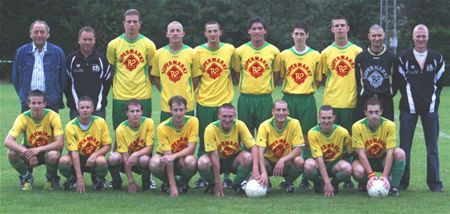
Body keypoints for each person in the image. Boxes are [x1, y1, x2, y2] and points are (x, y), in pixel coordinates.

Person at [396, 24, 445, 192]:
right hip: (408, 109)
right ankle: (403, 183)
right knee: (405, 148)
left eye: (424, 36)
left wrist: (431, 103)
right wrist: (412, 103)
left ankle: (434, 183)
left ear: (428, 37)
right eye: (418, 36)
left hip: (430, 110)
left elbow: (439, 84)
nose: (421, 39)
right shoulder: (403, 58)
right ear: (413, 37)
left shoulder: (437, 58)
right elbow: (401, 84)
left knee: (432, 148)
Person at [318, 16, 362, 189]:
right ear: (332, 29)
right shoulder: (326, 53)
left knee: (349, 142)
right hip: (332, 103)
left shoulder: (357, 51)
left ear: (348, 28)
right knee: (331, 143)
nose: (340, 28)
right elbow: (321, 78)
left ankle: (348, 177)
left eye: (342, 25)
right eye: (336, 26)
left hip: (351, 102)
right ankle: (327, 175)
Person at [193, 21, 236, 189]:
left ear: (220, 32)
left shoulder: (229, 50)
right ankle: (204, 176)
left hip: (224, 104)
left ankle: (226, 176)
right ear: (205, 33)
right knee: (203, 140)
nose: (212, 34)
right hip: (204, 102)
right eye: (209, 31)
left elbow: (235, 72)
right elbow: (196, 77)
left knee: (227, 141)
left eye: (215, 31)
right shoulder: (197, 51)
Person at [279, 21, 321, 190]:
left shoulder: (315, 55)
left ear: (307, 35)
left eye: (302, 34)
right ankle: (289, 172)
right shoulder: (284, 55)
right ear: (292, 35)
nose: (299, 36)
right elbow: (281, 76)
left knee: (308, 137)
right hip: (289, 97)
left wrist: (305, 89)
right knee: (288, 137)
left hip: (307, 99)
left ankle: (306, 175)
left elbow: (319, 79)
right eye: (296, 34)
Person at [106, 9, 156, 130]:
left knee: (143, 131)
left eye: (135, 21)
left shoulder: (149, 44)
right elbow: (111, 69)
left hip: (143, 95)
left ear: (140, 23)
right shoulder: (113, 44)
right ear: (123, 23)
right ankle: (117, 150)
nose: (132, 24)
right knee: (119, 131)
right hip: (120, 96)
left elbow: (151, 70)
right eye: (129, 21)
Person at [4, 90, 63, 190]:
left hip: (47, 151)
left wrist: (39, 149)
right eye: (33, 103)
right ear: (28, 104)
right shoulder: (23, 118)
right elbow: (8, 141)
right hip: (29, 149)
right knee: (11, 153)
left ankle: (50, 179)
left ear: (44, 104)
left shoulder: (53, 116)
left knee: (53, 155)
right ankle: (27, 178)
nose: (36, 106)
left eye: (39, 103)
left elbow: (60, 143)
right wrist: (27, 152)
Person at [197, 104, 260, 196]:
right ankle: (213, 184)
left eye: (230, 116)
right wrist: (218, 181)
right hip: (218, 159)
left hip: (234, 160)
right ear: (219, 116)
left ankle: (237, 184)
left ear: (235, 116)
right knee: (202, 162)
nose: (227, 119)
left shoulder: (240, 125)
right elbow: (214, 156)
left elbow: (253, 147)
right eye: (224, 116)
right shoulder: (210, 129)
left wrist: (255, 169)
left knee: (248, 157)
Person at [233, 17, 280, 135]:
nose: (257, 31)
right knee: (245, 133)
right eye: (254, 29)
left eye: (260, 28)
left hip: (264, 98)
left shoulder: (274, 51)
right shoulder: (240, 51)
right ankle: (248, 154)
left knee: (264, 133)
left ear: (265, 31)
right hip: (245, 98)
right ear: (249, 31)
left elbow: (275, 74)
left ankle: (262, 154)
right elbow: (237, 73)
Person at [352, 97, 405, 196]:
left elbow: (390, 152)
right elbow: (361, 153)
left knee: (400, 153)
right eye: (370, 112)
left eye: (376, 112)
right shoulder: (357, 126)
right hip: (366, 159)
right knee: (357, 171)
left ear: (381, 112)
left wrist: (384, 176)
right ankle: (365, 183)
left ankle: (393, 187)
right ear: (365, 112)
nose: (374, 115)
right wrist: (371, 175)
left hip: (382, 159)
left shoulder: (389, 125)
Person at [58, 96, 112, 193]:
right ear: (78, 109)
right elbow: (73, 152)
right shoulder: (70, 126)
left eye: (88, 107)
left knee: (102, 161)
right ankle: (72, 179)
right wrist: (79, 177)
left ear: (93, 109)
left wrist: (95, 155)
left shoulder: (100, 122)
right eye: (82, 108)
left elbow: (107, 145)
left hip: (94, 157)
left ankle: (98, 179)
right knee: (63, 161)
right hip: (79, 156)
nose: (85, 110)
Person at [12, 20, 67, 113]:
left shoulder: (58, 52)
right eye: (36, 32)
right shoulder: (21, 52)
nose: (39, 35)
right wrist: (23, 95)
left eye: (42, 32)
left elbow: (63, 79)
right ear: (30, 34)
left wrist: (56, 96)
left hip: (51, 103)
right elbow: (15, 78)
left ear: (48, 34)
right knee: (28, 128)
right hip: (28, 103)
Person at [151, 21, 201, 122]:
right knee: (167, 135)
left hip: (187, 104)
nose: (175, 33)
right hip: (166, 104)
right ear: (167, 34)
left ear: (183, 33)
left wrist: (189, 91)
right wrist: (164, 90)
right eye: (172, 31)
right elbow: (155, 77)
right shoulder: (158, 54)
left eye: (178, 30)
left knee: (187, 136)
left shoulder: (192, 53)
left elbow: (196, 77)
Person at [149, 96, 198, 197]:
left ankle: (183, 183)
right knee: (154, 163)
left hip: (182, 158)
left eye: (181, 110)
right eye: (175, 110)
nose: (179, 113)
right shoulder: (162, 127)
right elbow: (168, 156)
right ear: (170, 110)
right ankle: (170, 183)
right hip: (165, 156)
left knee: (191, 161)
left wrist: (174, 156)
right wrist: (173, 186)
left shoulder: (193, 121)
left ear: (186, 110)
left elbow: (192, 148)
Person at [303, 105, 353, 197]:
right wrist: (326, 182)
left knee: (348, 168)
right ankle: (319, 183)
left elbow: (350, 152)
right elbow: (319, 159)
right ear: (319, 118)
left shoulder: (343, 132)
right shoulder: (313, 133)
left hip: (335, 165)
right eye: (323, 118)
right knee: (308, 165)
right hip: (318, 164)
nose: (326, 121)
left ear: (334, 118)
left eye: (329, 118)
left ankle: (334, 184)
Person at [256, 100, 305, 193]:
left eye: (284, 110)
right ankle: (266, 183)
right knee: (256, 160)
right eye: (278, 110)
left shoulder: (294, 123)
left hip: (286, 163)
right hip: (269, 163)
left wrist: (283, 160)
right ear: (273, 112)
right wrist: (263, 172)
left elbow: (299, 149)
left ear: (288, 112)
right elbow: (260, 151)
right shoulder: (264, 126)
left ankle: (286, 183)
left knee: (300, 161)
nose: (281, 113)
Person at [108, 100, 154, 192]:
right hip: (126, 159)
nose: (135, 114)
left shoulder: (149, 122)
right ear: (127, 113)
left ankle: (146, 183)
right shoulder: (120, 129)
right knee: (113, 158)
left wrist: (136, 154)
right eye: (132, 111)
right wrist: (131, 181)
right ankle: (116, 181)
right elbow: (125, 155)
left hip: (140, 158)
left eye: (137, 111)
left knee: (145, 159)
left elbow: (150, 148)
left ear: (142, 112)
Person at [66, 26, 112, 119]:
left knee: (99, 134)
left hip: (98, 110)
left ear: (94, 41)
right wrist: (75, 102)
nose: (87, 42)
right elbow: (66, 84)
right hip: (76, 110)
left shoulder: (102, 61)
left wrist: (98, 102)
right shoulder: (70, 60)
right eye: (84, 39)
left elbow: (106, 84)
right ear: (79, 40)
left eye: (90, 39)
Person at [354, 24, 397, 121]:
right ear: (369, 36)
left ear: (384, 35)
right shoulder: (361, 57)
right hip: (365, 100)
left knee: (385, 133)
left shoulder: (392, 58)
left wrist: (387, 93)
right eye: (374, 36)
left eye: (379, 35)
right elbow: (357, 79)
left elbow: (396, 81)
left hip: (385, 101)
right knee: (363, 133)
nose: (377, 38)